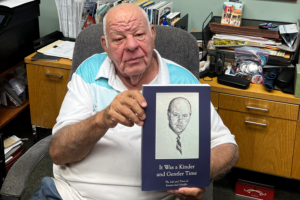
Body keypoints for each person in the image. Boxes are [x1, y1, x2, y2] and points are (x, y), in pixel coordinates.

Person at [30, 3, 239, 200]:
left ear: (153, 35)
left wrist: (199, 173)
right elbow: (58, 152)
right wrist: (103, 119)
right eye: (119, 39)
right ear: (105, 45)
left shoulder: (182, 81)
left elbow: (227, 146)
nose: (131, 45)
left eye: (139, 35)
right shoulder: (89, 71)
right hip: (70, 194)